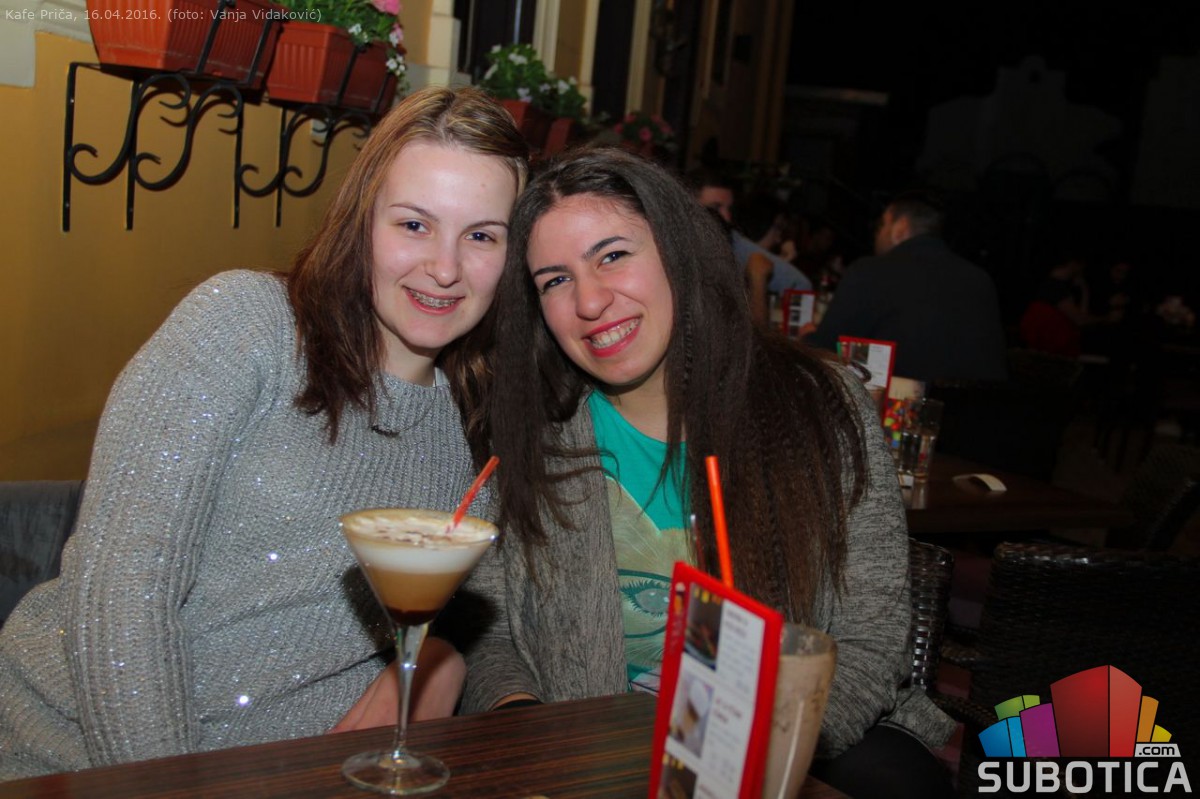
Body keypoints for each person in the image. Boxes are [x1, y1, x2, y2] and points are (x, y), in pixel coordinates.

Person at [0, 86, 528, 780]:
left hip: (300, 772)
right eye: (413, 224)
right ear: (360, 220)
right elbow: (123, 591)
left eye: (481, 236)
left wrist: (441, 658)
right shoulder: (247, 327)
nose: (445, 268)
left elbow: (481, 614)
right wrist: (172, 789)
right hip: (75, 757)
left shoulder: (480, 426)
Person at [461, 148, 955, 799]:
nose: (590, 300)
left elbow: (871, 636)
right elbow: (490, 627)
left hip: (798, 735)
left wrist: (742, 755)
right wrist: (524, 723)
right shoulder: (525, 430)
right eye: (555, 280)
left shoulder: (821, 405)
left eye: (613, 255)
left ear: (678, 251)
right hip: (590, 750)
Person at [809, 190, 1008, 383]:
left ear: (900, 228)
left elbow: (823, 351)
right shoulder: (980, 279)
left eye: (882, 226)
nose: (877, 235)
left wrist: (807, 337)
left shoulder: (871, 272)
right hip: (978, 403)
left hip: (900, 403)